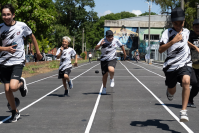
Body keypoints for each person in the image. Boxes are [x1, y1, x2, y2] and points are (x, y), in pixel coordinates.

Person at [0, 4, 42, 122]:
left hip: (17, 61)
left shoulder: (21, 26)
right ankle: (15, 112)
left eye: (8, 14)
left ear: (13, 15)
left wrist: (38, 53)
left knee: (13, 87)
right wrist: (5, 49)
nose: (6, 17)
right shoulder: (0, 28)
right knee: (7, 90)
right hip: (3, 61)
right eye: (4, 14)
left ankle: (21, 84)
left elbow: (32, 37)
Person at [159, 7, 192, 122]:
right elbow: (160, 50)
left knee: (186, 81)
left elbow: (189, 41)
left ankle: (183, 112)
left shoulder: (187, 32)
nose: (178, 26)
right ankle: (169, 90)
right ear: (172, 22)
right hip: (171, 66)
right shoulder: (167, 33)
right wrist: (173, 41)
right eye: (175, 23)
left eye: (180, 23)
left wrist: (196, 48)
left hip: (185, 63)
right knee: (172, 90)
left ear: (184, 21)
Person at [95, 30, 126, 94]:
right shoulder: (102, 40)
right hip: (104, 59)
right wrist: (100, 45)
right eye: (109, 37)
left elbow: (121, 46)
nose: (110, 38)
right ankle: (104, 88)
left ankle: (112, 78)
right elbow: (95, 48)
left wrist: (125, 53)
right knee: (105, 75)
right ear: (106, 37)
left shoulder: (116, 40)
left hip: (112, 58)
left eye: (111, 36)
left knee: (111, 70)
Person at [187, 19, 199, 108]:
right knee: (194, 82)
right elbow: (185, 41)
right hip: (191, 63)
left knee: (197, 86)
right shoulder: (190, 35)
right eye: (196, 26)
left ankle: (190, 99)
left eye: (199, 26)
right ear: (193, 27)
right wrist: (195, 47)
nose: (197, 28)